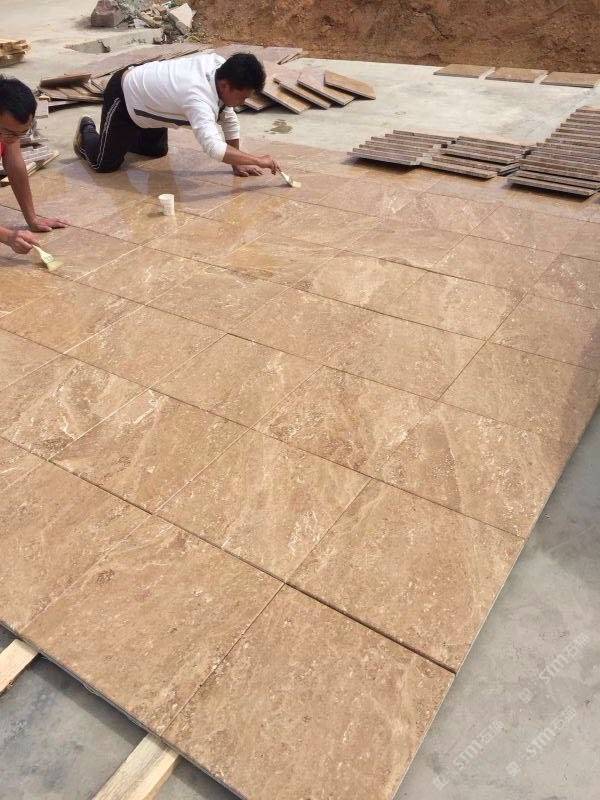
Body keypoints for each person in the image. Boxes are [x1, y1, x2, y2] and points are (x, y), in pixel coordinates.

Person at [73, 52, 281, 177]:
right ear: (225, 85)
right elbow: (214, 148)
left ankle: (122, 138)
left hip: (151, 103)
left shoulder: (221, 68)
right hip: (124, 96)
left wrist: (238, 161)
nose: (243, 102)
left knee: (155, 151)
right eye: (243, 97)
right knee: (105, 164)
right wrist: (257, 160)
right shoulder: (197, 96)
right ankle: (86, 131)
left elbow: (228, 116)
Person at [0, 75, 67, 254]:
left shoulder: (9, 130)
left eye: (21, 133)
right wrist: (7, 236)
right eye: (10, 133)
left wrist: (32, 219)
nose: (15, 138)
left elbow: (15, 165)